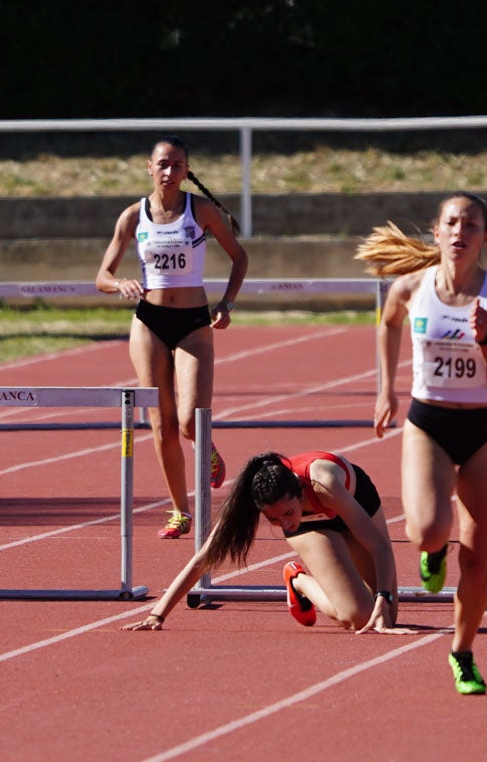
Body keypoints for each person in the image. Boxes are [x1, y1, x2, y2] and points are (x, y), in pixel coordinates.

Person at [356, 192, 487, 695]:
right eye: (452, 223)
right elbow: (387, 325)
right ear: (437, 233)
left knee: (478, 559)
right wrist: (385, 388)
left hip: (486, 430)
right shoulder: (411, 288)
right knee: (430, 531)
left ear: (485, 237)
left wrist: (486, 342)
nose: (460, 232)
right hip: (429, 423)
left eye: (471, 224)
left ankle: (463, 651)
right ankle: (432, 552)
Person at [96, 136, 248, 539]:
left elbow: (240, 257)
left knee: (189, 421)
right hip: (148, 322)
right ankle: (180, 511)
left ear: (186, 171)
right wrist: (120, 284)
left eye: (177, 166)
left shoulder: (201, 212)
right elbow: (102, 276)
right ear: (150, 167)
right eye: (163, 164)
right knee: (160, 423)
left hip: (194, 323)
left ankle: (207, 448)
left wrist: (226, 305)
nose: (169, 172)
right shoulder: (133, 216)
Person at [122, 450, 409, 633]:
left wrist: (384, 597)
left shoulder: (323, 482)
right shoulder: (262, 504)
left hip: (354, 503)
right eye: (273, 520)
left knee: (386, 613)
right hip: (312, 527)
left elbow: (380, 547)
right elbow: (203, 559)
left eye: (287, 513)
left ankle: (354, 594)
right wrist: (157, 614)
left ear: (299, 494)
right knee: (360, 618)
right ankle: (299, 581)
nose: (284, 524)